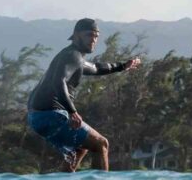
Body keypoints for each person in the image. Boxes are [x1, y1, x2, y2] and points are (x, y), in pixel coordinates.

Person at [27, 18, 141, 171]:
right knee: (101, 144)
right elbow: (58, 82)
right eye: (89, 35)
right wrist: (72, 111)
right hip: (51, 115)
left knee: (81, 148)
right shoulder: (72, 56)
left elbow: (96, 67)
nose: (93, 40)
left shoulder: (74, 57)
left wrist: (122, 66)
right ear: (76, 35)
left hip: (37, 117)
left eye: (96, 36)